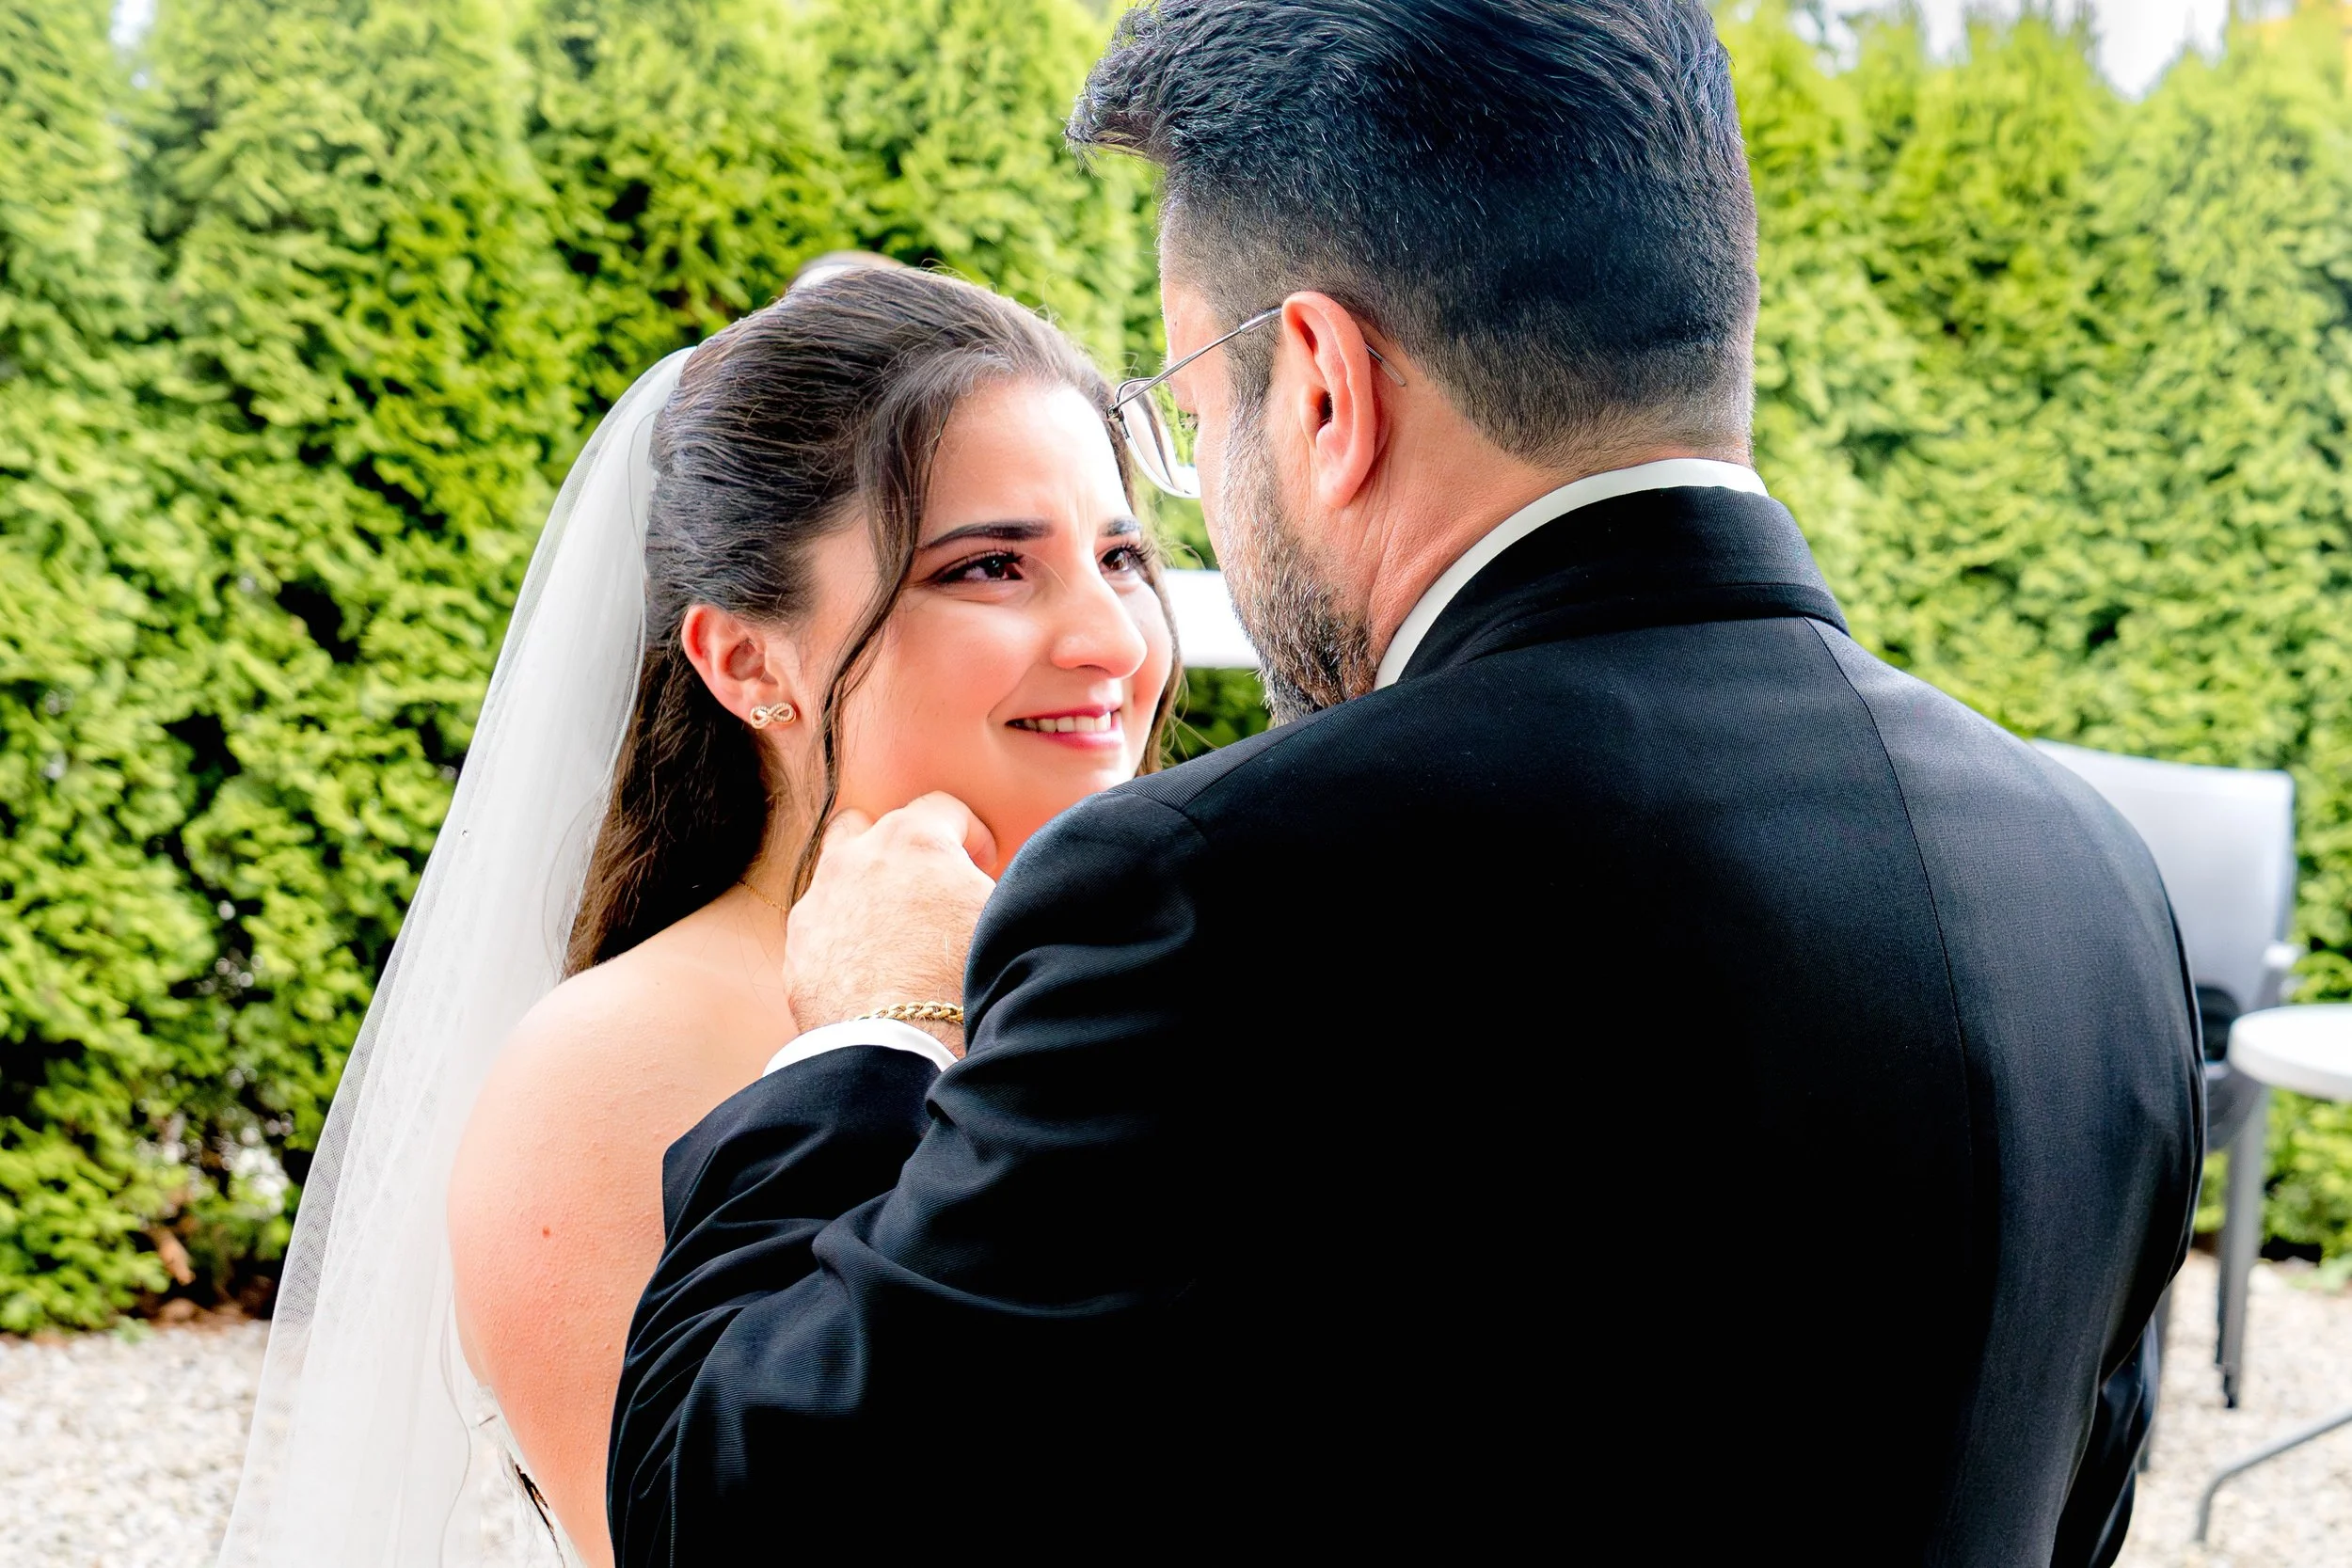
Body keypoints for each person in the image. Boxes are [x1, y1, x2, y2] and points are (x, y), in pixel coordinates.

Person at [608, 3, 2203, 1562]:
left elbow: (727, 1511)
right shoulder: (2097, 885)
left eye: (1190, 413)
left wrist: (876, 1029)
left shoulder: (1218, 890)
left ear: (1321, 386)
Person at [216, 260, 1176, 1567]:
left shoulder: (1147, 967)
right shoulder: (614, 1065)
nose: (1114, 640)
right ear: (744, 658)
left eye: (1119, 556)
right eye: (992, 565)